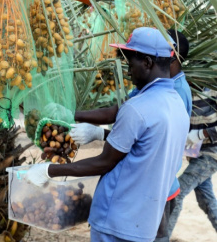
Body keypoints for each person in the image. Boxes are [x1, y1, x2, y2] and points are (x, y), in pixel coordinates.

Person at [26, 27, 190, 242]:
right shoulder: (176, 102)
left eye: (131, 65)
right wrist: (78, 118)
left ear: (148, 63)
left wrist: (49, 170)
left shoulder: (138, 108)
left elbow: (104, 162)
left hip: (116, 221)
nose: (129, 73)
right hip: (143, 225)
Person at [167, 88, 217, 234]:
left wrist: (202, 133)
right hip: (196, 154)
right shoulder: (186, 88)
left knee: (176, 193)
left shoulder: (213, 88)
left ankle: (162, 239)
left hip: (211, 155)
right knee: (206, 201)